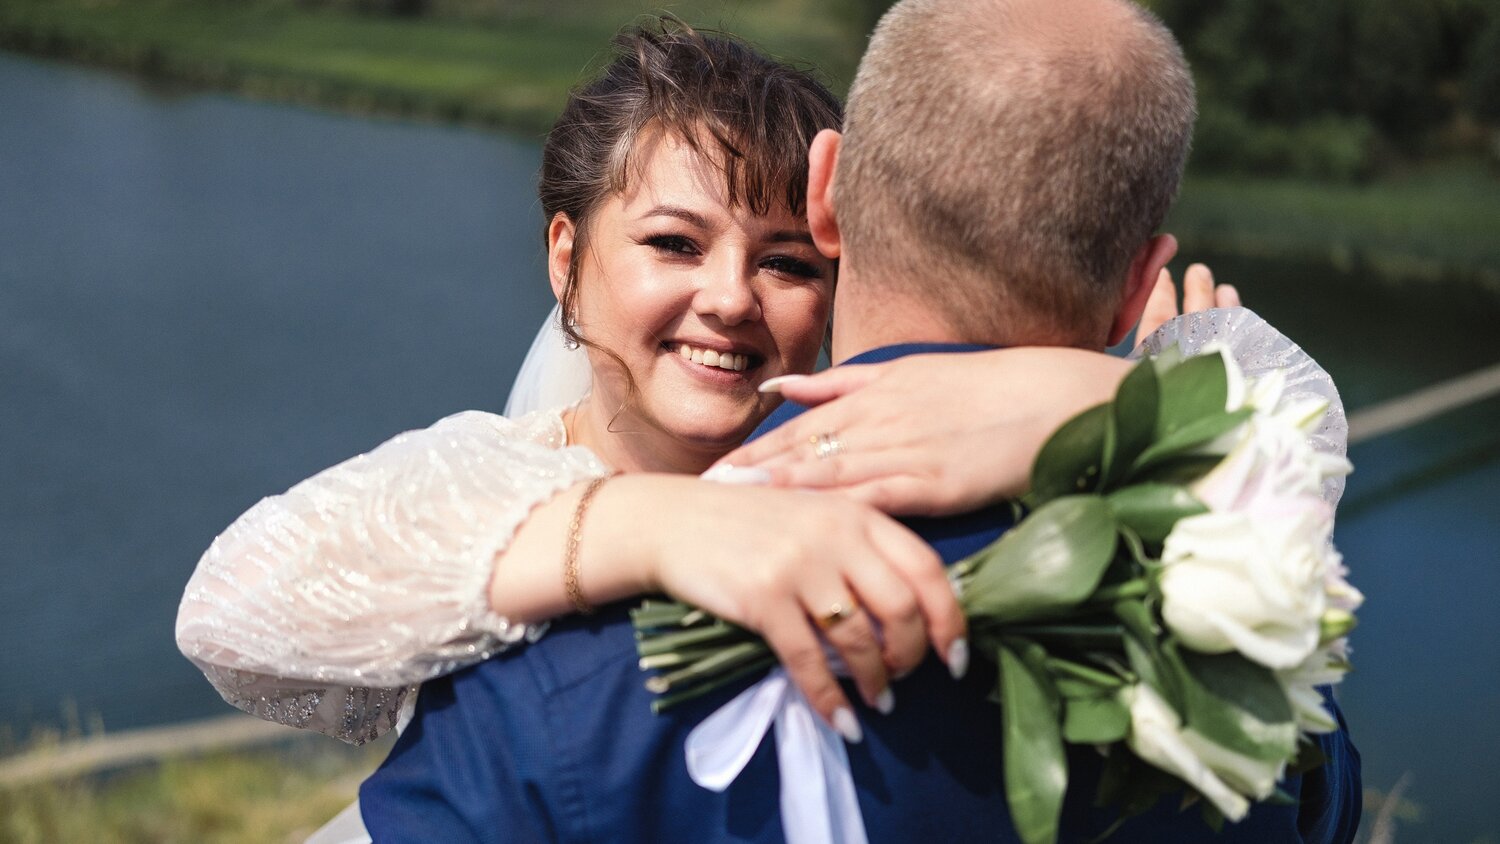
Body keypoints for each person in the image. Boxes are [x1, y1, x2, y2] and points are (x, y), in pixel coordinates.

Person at [356, 1, 1359, 842]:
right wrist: (1158, 396)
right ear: (1141, 278)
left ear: (825, 197)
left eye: (778, 257)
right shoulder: (1250, 628)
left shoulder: (553, 674)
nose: (730, 298)